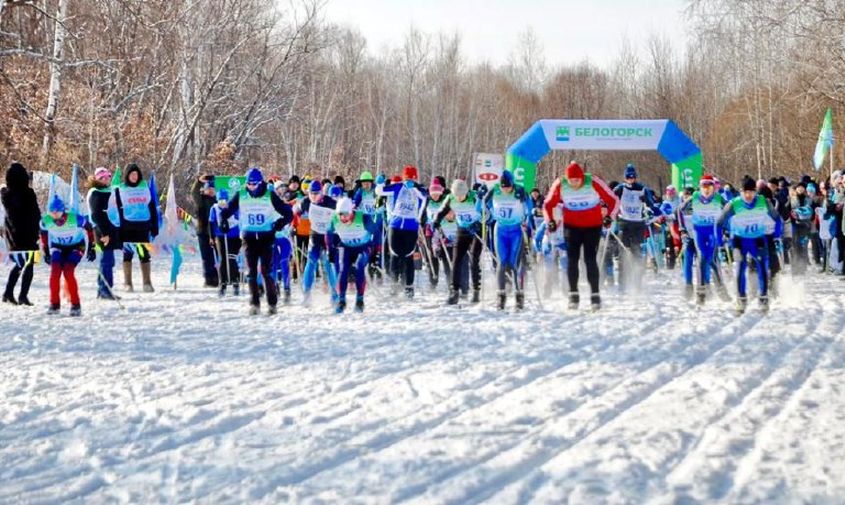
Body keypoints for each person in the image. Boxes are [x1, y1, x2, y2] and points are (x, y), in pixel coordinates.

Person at [217, 167, 293, 315]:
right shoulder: (241, 194)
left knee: (266, 271)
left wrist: (280, 223)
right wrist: (222, 221)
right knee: (251, 272)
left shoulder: (269, 195)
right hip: (248, 237)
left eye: (254, 184)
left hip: (266, 237)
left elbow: (288, 213)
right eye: (248, 184)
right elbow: (225, 211)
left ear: (260, 183)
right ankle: (254, 303)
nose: (250, 187)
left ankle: (272, 304)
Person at [544, 161, 619, 310]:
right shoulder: (560, 183)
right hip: (572, 227)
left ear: (582, 177)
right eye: (571, 180)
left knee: (590, 259)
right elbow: (547, 204)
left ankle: (595, 296)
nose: (574, 184)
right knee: (572, 260)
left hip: (593, 226)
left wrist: (610, 216)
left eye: (577, 180)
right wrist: (550, 221)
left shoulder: (593, 181)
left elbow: (614, 200)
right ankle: (573, 295)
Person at [718, 176, 780, 314]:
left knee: (762, 267)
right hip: (739, 240)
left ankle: (763, 299)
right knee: (740, 268)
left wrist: (776, 237)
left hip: (757, 238)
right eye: (745, 192)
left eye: (751, 192)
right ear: (740, 192)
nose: (748, 195)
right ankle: (741, 300)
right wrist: (720, 244)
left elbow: (777, 218)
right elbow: (719, 223)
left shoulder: (763, 201)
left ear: (755, 192)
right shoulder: (734, 204)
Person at [375, 165, 428, 299]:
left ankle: (408, 286)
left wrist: (415, 189)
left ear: (415, 178)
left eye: (411, 178)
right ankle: (394, 284)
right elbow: (380, 191)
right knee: (394, 255)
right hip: (395, 225)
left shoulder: (419, 190)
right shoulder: (398, 187)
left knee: (408, 256)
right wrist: (380, 183)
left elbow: (426, 196)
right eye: (406, 178)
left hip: (411, 227)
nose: (408, 181)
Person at [677, 174, 730, 304]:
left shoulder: (718, 198)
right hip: (698, 231)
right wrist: (682, 229)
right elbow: (679, 210)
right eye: (704, 187)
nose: (707, 190)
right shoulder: (694, 197)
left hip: (713, 230)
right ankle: (701, 294)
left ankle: (721, 290)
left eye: (709, 187)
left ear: (713, 187)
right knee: (701, 258)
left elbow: (730, 210)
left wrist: (726, 228)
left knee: (711, 257)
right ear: (700, 188)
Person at [40, 195, 95, 316]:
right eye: (52, 212)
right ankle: (54, 304)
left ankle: (76, 305)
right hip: (58, 246)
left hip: (76, 246)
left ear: (62, 210)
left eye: (57, 211)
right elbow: (43, 234)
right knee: (55, 273)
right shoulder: (46, 221)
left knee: (68, 272)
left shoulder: (75, 219)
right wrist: (45, 251)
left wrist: (92, 246)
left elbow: (89, 228)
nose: (54, 214)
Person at [484, 170, 531, 310]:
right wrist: (482, 200)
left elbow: (530, 209)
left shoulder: (519, 191)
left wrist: (527, 220)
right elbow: (480, 207)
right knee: (502, 262)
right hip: (500, 230)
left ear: (512, 184)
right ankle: (501, 296)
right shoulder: (494, 191)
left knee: (514, 263)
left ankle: (519, 296)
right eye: (503, 187)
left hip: (516, 230)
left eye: (508, 187)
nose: (505, 189)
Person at [613, 163, 662, 291]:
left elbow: (651, 202)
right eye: (628, 177)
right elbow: (610, 199)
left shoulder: (642, 189)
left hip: (638, 224)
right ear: (624, 178)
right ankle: (622, 283)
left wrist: (654, 208)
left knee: (637, 253)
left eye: (632, 177)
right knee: (623, 252)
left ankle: (637, 282)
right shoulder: (620, 189)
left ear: (636, 177)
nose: (630, 179)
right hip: (624, 222)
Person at [433, 179, 483, 305]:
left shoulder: (474, 197)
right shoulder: (450, 198)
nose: (459, 198)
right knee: (456, 260)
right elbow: (441, 211)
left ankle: (476, 290)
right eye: (457, 196)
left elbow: (487, 214)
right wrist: (436, 221)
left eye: (461, 196)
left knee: (474, 259)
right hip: (462, 230)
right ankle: (454, 292)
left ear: (466, 192)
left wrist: (478, 223)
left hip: (476, 230)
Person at [326, 197, 378, 312]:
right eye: (340, 215)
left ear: (352, 211)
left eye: (346, 214)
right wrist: (329, 250)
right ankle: (342, 300)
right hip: (346, 247)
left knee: (360, 266)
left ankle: (360, 300)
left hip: (363, 247)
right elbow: (328, 234)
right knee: (342, 269)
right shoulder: (334, 218)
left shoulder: (363, 218)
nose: (343, 218)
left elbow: (376, 232)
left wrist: (376, 252)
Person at [114, 163, 159, 292]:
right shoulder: (121, 189)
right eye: (131, 174)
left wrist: (154, 225)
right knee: (127, 254)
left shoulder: (145, 187)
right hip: (127, 226)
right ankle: (128, 283)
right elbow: (117, 208)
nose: (134, 176)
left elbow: (152, 206)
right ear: (127, 176)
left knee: (143, 253)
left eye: (136, 174)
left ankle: (147, 283)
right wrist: (118, 227)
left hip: (143, 225)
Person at [2, 162, 41, 306]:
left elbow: (11, 216)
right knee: (28, 264)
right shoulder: (28, 193)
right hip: (29, 234)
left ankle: (8, 293)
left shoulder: (6, 194)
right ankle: (21, 295)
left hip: (13, 235)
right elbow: (35, 213)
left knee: (19, 264)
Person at [295, 180, 338, 306]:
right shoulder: (305, 202)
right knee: (311, 262)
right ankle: (306, 294)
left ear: (322, 193)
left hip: (329, 236)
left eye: (316, 193)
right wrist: (293, 225)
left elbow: (343, 212)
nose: (313, 196)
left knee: (329, 264)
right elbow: (295, 213)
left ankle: (335, 295)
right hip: (315, 235)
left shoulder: (330, 202)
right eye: (311, 193)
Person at [86, 167, 122, 300]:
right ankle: (104, 289)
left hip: (109, 228)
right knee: (106, 260)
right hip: (102, 230)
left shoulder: (106, 191)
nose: (105, 179)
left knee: (109, 260)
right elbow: (96, 215)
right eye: (102, 178)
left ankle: (105, 289)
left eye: (107, 177)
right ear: (97, 179)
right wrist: (104, 234)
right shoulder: (96, 193)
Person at [208, 189, 241, 297]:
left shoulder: (233, 207)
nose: (223, 203)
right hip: (221, 236)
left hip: (234, 235)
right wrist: (211, 237)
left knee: (231, 258)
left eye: (225, 200)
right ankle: (223, 283)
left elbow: (239, 219)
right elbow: (211, 223)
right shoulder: (214, 208)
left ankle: (235, 280)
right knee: (222, 259)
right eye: (221, 200)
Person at [352, 170, 383, 281]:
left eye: (367, 183)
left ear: (371, 182)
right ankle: (370, 260)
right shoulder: (360, 191)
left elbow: (382, 201)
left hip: (377, 217)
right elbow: (354, 202)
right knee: (369, 240)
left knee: (377, 236)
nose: (365, 185)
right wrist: (353, 208)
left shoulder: (376, 190)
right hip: (366, 219)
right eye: (363, 183)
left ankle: (377, 260)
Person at [192, 174, 219, 287]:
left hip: (216, 232)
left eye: (212, 189)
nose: (210, 191)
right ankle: (209, 278)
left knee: (219, 255)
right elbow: (194, 192)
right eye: (208, 189)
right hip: (203, 231)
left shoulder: (218, 201)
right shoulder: (200, 199)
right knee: (206, 257)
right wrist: (198, 181)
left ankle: (219, 277)